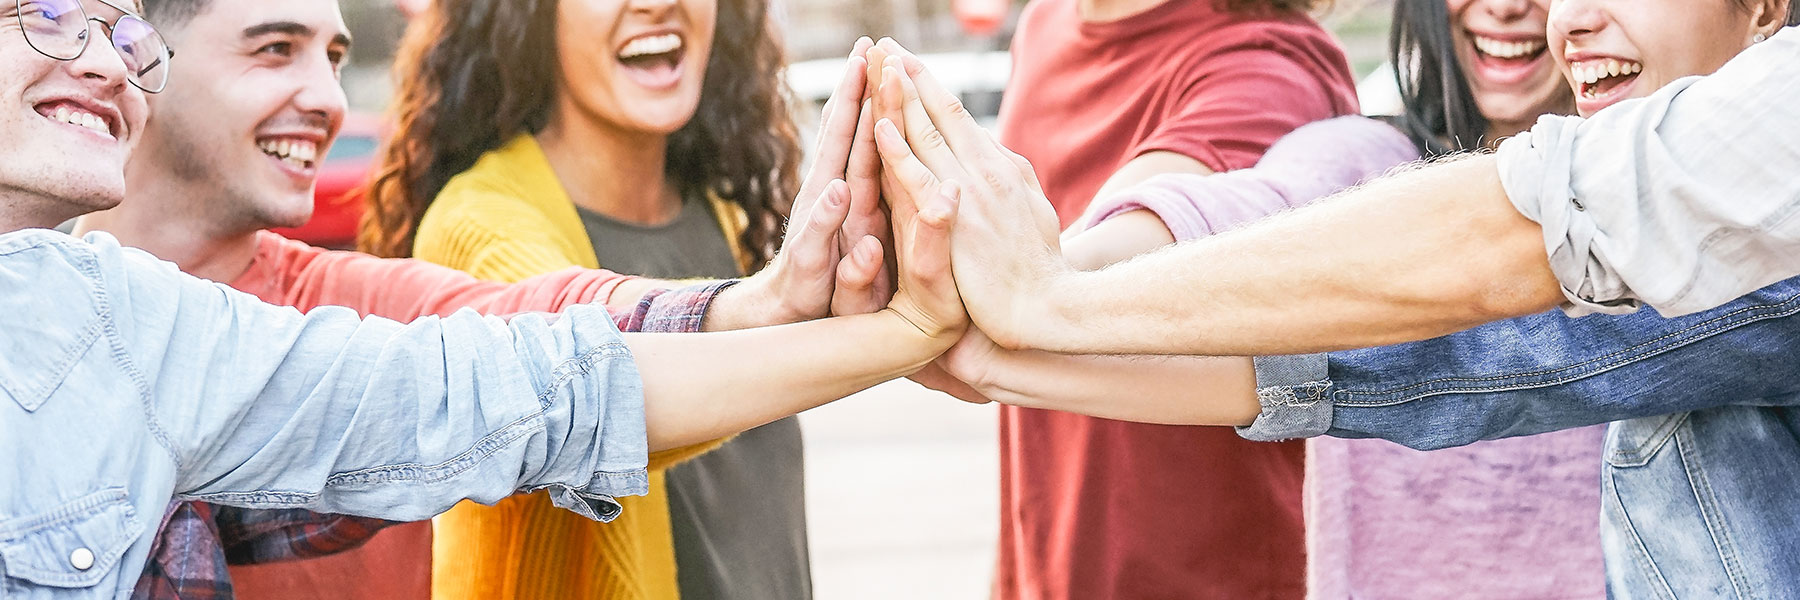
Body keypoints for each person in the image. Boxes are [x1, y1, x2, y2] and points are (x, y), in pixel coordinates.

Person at [0, 1, 968, 598]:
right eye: (273, 47)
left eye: (119, 33)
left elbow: (500, 362)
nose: (102, 60)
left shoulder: (135, 329)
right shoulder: (120, 324)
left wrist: (761, 308)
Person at [866, 0, 1800, 592]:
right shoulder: (1367, 160)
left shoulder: (1758, 210)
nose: (1554, 14)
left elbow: (1481, 310)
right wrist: (1020, 323)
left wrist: (1046, 309)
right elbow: (1253, 215)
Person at [358, 0, 878, 597]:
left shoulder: (727, 216)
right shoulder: (474, 224)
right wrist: (896, 332)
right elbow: (582, 374)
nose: (656, 4)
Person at [923, 0, 1358, 595]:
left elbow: (1077, 268)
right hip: (1052, 568)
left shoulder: (1268, 67)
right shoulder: (1047, 23)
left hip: (1201, 575)